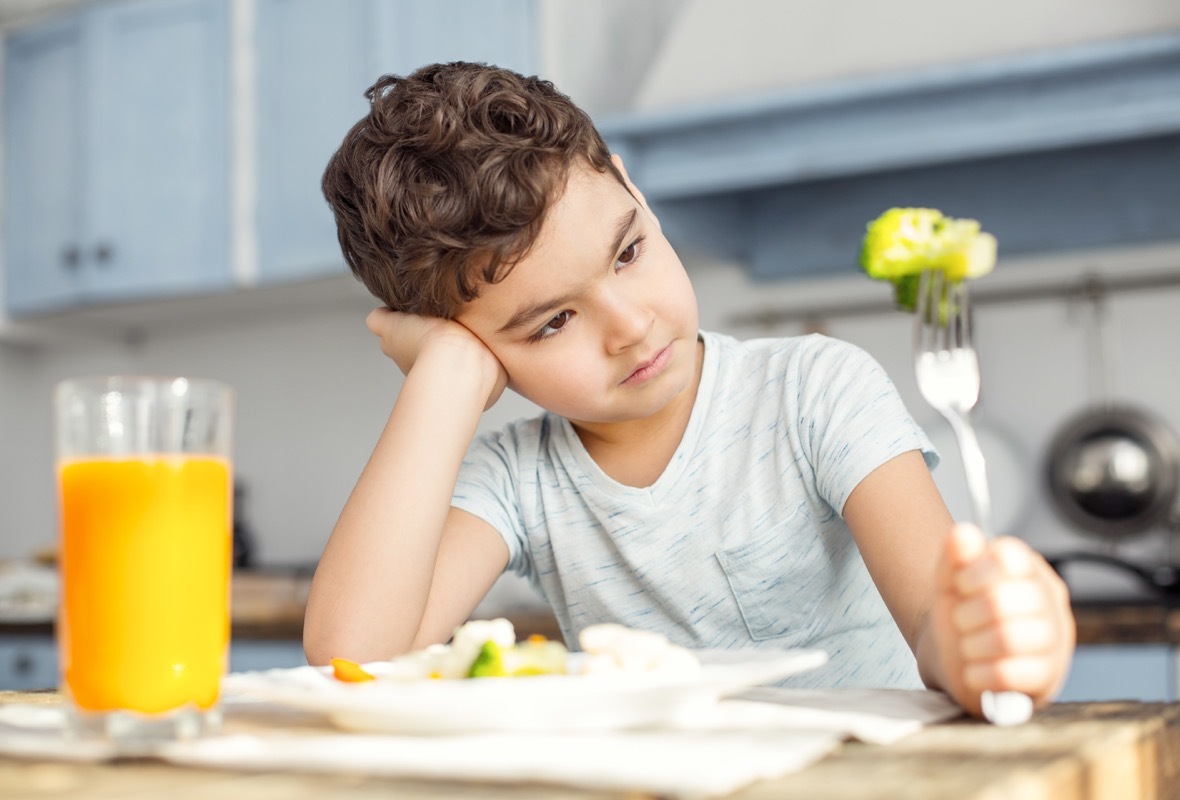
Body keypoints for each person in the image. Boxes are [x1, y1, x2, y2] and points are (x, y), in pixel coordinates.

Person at [305, 61, 1075, 717]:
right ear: (480, 347)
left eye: (629, 251)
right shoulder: (520, 478)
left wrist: (989, 645)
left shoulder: (814, 391)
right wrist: (443, 376)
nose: (631, 326)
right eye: (552, 323)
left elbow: (938, 622)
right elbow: (354, 657)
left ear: (635, 192)